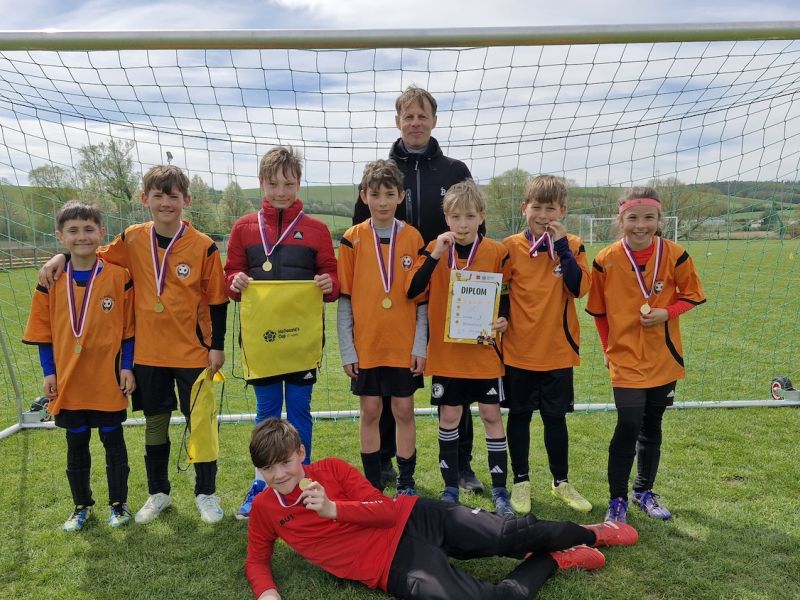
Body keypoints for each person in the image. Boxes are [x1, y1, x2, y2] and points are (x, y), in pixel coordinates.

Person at [245, 418, 639, 600]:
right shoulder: (265, 508)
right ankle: (555, 559)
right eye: (268, 469)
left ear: (301, 453)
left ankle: (594, 533)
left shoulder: (331, 470)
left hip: (415, 517)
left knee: (514, 533)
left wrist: (335, 509)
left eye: (285, 462)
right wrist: (268, 594)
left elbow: (384, 510)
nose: (279, 475)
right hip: (392, 567)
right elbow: (257, 560)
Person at [39, 166, 229, 525]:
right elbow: (91, 254)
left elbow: (218, 300)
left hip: (193, 352)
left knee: (201, 423)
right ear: (145, 200)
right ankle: (159, 493)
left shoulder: (203, 246)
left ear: (186, 200)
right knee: (155, 423)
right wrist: (60, 257)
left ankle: (206, 493)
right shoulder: (131, 238)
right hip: (148, 353)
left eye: (173, 196)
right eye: (158, 196)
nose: (165, 202)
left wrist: (216, 345)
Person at [352, 85, 482, 493]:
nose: (415, 123)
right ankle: (385, 463)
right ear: (397, 122)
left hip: (450, 290)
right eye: (408, 116)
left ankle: (461, 465)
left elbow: (477, 228)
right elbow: (360, 231)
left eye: (422, 116)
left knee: (458, 377)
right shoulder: (383, 172)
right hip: (399, 294)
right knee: (389, 387)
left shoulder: (455, 170)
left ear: (434, 121)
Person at [225, 145, 339, 519]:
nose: (281, 191)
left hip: (301, 342)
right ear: (261, 183)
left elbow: (332, 277)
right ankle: (262, 485)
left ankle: (303, 485)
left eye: (288, 184)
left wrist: (329, 283)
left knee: (300, 412)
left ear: (298, 184)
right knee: (267, 414)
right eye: (273, 184)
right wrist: (235, 280)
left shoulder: (317, 230)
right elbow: (230, 276)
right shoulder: (243, 228)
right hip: (262, 344)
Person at [586, 186, 705, 523]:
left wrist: (668, 312)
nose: (641, 225)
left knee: (652, 424)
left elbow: (692, 295)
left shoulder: (675, 254)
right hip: (624, 358)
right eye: (633, 218)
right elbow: (599, 312)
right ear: (621, 220)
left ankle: (643, 491)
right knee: (628, 424)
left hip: (663, 357)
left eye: (649, 217)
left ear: (659, 219)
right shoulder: (605, 259)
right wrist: (606, 347)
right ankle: (617, 500)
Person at [24, 202, 135, 531]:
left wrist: (127, 367)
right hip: (69, 380)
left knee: (113, 441)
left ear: (101, 233)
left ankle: (119, 504)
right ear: (60, 236)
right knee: (76, 443)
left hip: (107, 378)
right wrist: (49, 371)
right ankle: (81, 506)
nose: (81, 236)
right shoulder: (50, 279)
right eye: (73, 231)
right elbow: (43, 332)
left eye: (89, 229)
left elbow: (129, 330)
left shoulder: (119, 277)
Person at [406, 179, 514, 514]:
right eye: (455, 217)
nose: (462, 224)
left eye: (469, 216)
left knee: (491, 415)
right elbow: (413, 290)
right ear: (446, 218)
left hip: (484, 352)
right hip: (447, 354)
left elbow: (506, 293)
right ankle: (450, 488)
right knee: (450, 415)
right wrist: (436, 255)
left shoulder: (497, 252)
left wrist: (504, 318)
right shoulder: (435, 249)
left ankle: (500, 491)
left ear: (481, 216)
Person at [501, 176, 592, 515]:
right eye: (536, 207)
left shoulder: (573, 244)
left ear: (562, 211)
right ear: (524, 208)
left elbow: (579, 288)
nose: (542, 215)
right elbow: (500, 291)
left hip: (557, 351)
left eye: (550, 209)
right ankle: (521, 481)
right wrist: (501, 318)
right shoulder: (509, 247)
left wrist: (562, 247)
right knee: (519, 417)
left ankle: (561, 482)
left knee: (555, 419)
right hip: (518, 351)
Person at [337, 159, 426, 494]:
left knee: (404, 410)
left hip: (403, 345)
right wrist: (348, 350)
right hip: (367, 345)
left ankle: (406, 482)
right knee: (370, 410)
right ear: (364, 196)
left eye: (390, 194)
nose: (383, 202)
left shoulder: (413, 237)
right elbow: (345, 299)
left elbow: (423, 301)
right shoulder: (352, 239)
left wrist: (420, 346)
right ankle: (372, 483)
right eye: (375, 195)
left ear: (401, 196)